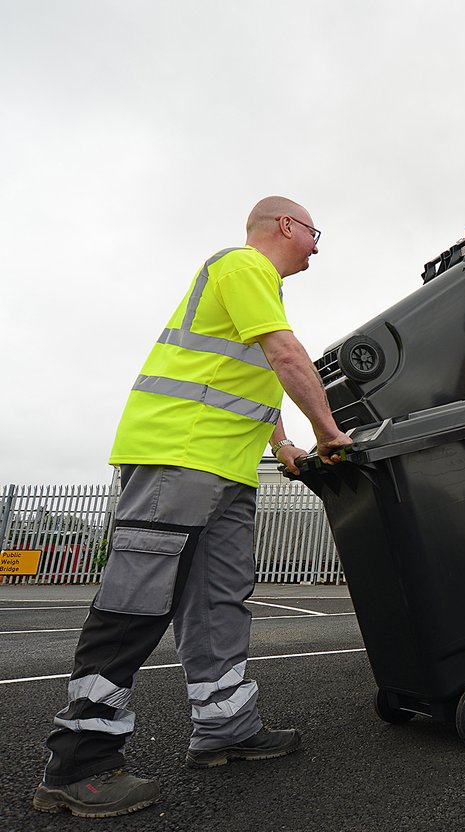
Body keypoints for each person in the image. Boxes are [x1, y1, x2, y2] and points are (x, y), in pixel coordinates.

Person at [33, 197, 353, 818]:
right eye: (316, 233)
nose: (317, 246)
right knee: (138, 600)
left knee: (219, 600)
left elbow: (254, 376)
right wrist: (328, 430)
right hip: (179, 455)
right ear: (286, 226)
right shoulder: (240, 266)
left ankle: (224, 726)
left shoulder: (262, 289)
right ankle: (78, 762)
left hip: (227, 470)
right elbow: (286, 355)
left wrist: (282, 441)